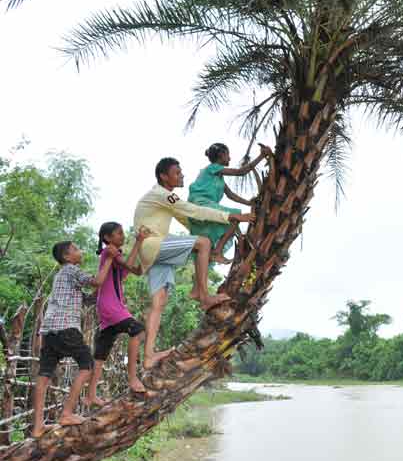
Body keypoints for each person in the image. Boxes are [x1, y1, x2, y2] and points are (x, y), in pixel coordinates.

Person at [133, 157, 255, 369]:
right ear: (164, 176)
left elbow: (189, 220)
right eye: (177, 173)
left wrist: (220, 225)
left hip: (151, 252)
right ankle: (203, 295)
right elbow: (194, 211)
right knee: (203, 243)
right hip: (153, 244)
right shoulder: (162, 195)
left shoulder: (164, 199)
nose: (181, 176)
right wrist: (233, 216)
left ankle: (149, 355)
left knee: (159, 303)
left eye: (181, 172)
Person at [31, 240, 119, 438]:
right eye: (76, 249)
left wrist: (101, 293)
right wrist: (110, 259)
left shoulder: (61, 276)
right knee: (87, 365)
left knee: (44, 376)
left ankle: (37, 426)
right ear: (67, 257)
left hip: (49, 330)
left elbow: (87, 299)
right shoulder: (71, 270)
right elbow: (96, 281)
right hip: (66, 328)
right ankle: (67, 413)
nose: (80, 251)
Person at [85, 223, 151, 407]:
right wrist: (138, 242)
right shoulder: (109, 251)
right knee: (137, 331)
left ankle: (90, 396)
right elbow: (128, 264)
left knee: (100, 355)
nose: (122, 236)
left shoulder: (114, 257)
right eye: (119, 233)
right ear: (107, 238)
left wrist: (144, 263)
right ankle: (132, 377)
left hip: (108, 307)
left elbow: (129, 271)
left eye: (123, 233)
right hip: (112, 306)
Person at [188, 143, 271, 265]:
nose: (230, 158)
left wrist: (248, 202)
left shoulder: (219, 177)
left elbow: (230, 194)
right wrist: (261, 156)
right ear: (221, 155)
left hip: (207, 205)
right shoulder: (212, 168)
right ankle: (217, 252)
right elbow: (241, 172)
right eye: (228, 155)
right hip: (200, 203)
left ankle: (216, 252)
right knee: (235, 215)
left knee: (234, 218)